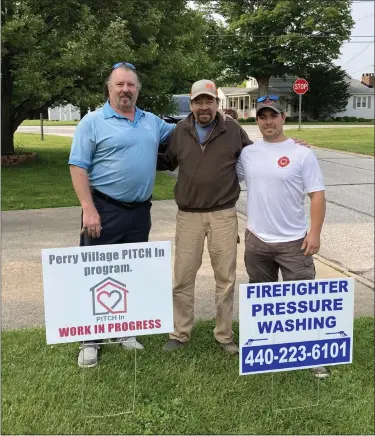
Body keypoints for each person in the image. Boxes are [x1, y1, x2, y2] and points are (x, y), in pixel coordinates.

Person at [69, 62, 175, 367]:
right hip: (103, 209)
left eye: (131, 85)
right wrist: (88, 209)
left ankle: (123, 330)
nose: (125, 90)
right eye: (119, 85)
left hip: (140, 212)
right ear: (109, 88)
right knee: (96, 273)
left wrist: (224, 123)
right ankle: (91, 338)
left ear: (138, 89)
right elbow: (78, 166)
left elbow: (189, 131)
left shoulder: (151, 121)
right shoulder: (92, 122)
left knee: (130, 273)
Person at [158, 79, 253, 354]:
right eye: (198, 101)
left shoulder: (232, 129)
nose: (204, 107)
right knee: (183, 276)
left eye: (208, 101)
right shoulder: (180, 130)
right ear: (191, 104)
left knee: (225, 278)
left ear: (217, 104)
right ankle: (180, 333)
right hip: (188, 216)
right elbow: (168, 160)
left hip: (223, 214)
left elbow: (257, 156)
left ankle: (224, 335)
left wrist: (289, 148)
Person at [236, 95, 329, 378]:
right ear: (257, 120)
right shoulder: (247, 153)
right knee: (262, 296)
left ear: (283, 118)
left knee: (301, 299)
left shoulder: (302, 153)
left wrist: (315, 233)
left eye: (273, 116)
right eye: (263, 117)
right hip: (258, 239)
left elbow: (317, 195)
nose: (268, 122)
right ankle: (265, 348)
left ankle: (310, 353)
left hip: (294, 241)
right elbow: (226, 177)